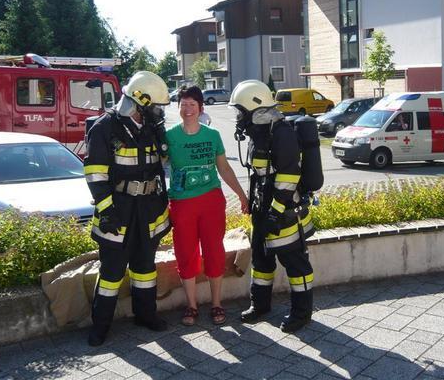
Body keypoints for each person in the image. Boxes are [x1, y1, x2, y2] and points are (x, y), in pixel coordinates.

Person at [84, 71, 171, 347]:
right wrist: (106, 211)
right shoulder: (104, 127)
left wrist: (162, 138)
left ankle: (146, 316)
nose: (159, 112)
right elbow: (95, 174)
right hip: (118, 211)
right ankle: (101, 327)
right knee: (111, 273)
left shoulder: (151, 127)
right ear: (139, 101)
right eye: (156, 106)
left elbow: (164, 163)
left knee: (145, 268)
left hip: (147, 209)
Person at [229, 80, 315, 333]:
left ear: (255, 109)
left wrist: (275, 214)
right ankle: (260, 305)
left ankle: (302, 314)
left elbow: (289, 177)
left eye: (240, 111)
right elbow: (259, 173)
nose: (237, 117)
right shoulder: (259, 131)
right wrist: (253, 203)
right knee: (261, 259)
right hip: (262, 208)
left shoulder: (282, 132)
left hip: (284, 212)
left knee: (295, 265)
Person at [166, 86, 248, 326]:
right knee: (185, 252)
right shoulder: (169, 136)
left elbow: (224, 168)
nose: (188, 109)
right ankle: (191, 306)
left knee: (214, 250)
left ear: (201, 108)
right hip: (182, 203)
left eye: (192, 104)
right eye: (183, 104)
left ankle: (216, 303)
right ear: (178, 107)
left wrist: (242, 196)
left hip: (211, 201)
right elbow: (155, 167)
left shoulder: (212, 135)